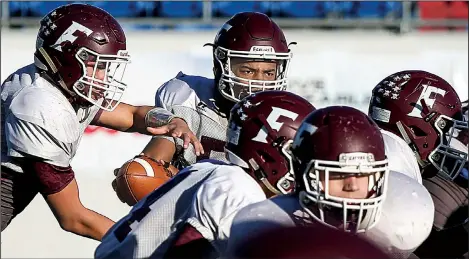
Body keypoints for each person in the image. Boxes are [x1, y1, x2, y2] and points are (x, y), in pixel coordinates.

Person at [1, 3, 200, 241]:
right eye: (96, 65)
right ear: (64, 57)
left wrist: (171, 120)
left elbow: (131, 115)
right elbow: (73, 217)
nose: (103, 78)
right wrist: (148, 240)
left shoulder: (57, 81)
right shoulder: (40, 106)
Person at [95, 91, 315, 259]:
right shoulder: (237, 187)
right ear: (266, 154)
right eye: (299, 155)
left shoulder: (211, 169)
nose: (305, 165)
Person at [227, 106, 434, 259]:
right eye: (337, 176)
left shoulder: (399, 220)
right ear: (303, 174)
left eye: (363, 176)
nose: (352, 186)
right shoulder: (268, 227)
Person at [112, 12, 295, 181]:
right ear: (219, 66)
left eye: (269, 73)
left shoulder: (288, 119)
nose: (258, 83)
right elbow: (151, 170)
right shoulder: (187, 97)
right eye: (248, 71)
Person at [368, 70, 469, 258]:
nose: (450, 142)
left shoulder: (379, 149)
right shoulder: (397, 173)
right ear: (416, 129)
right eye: (446, 129)